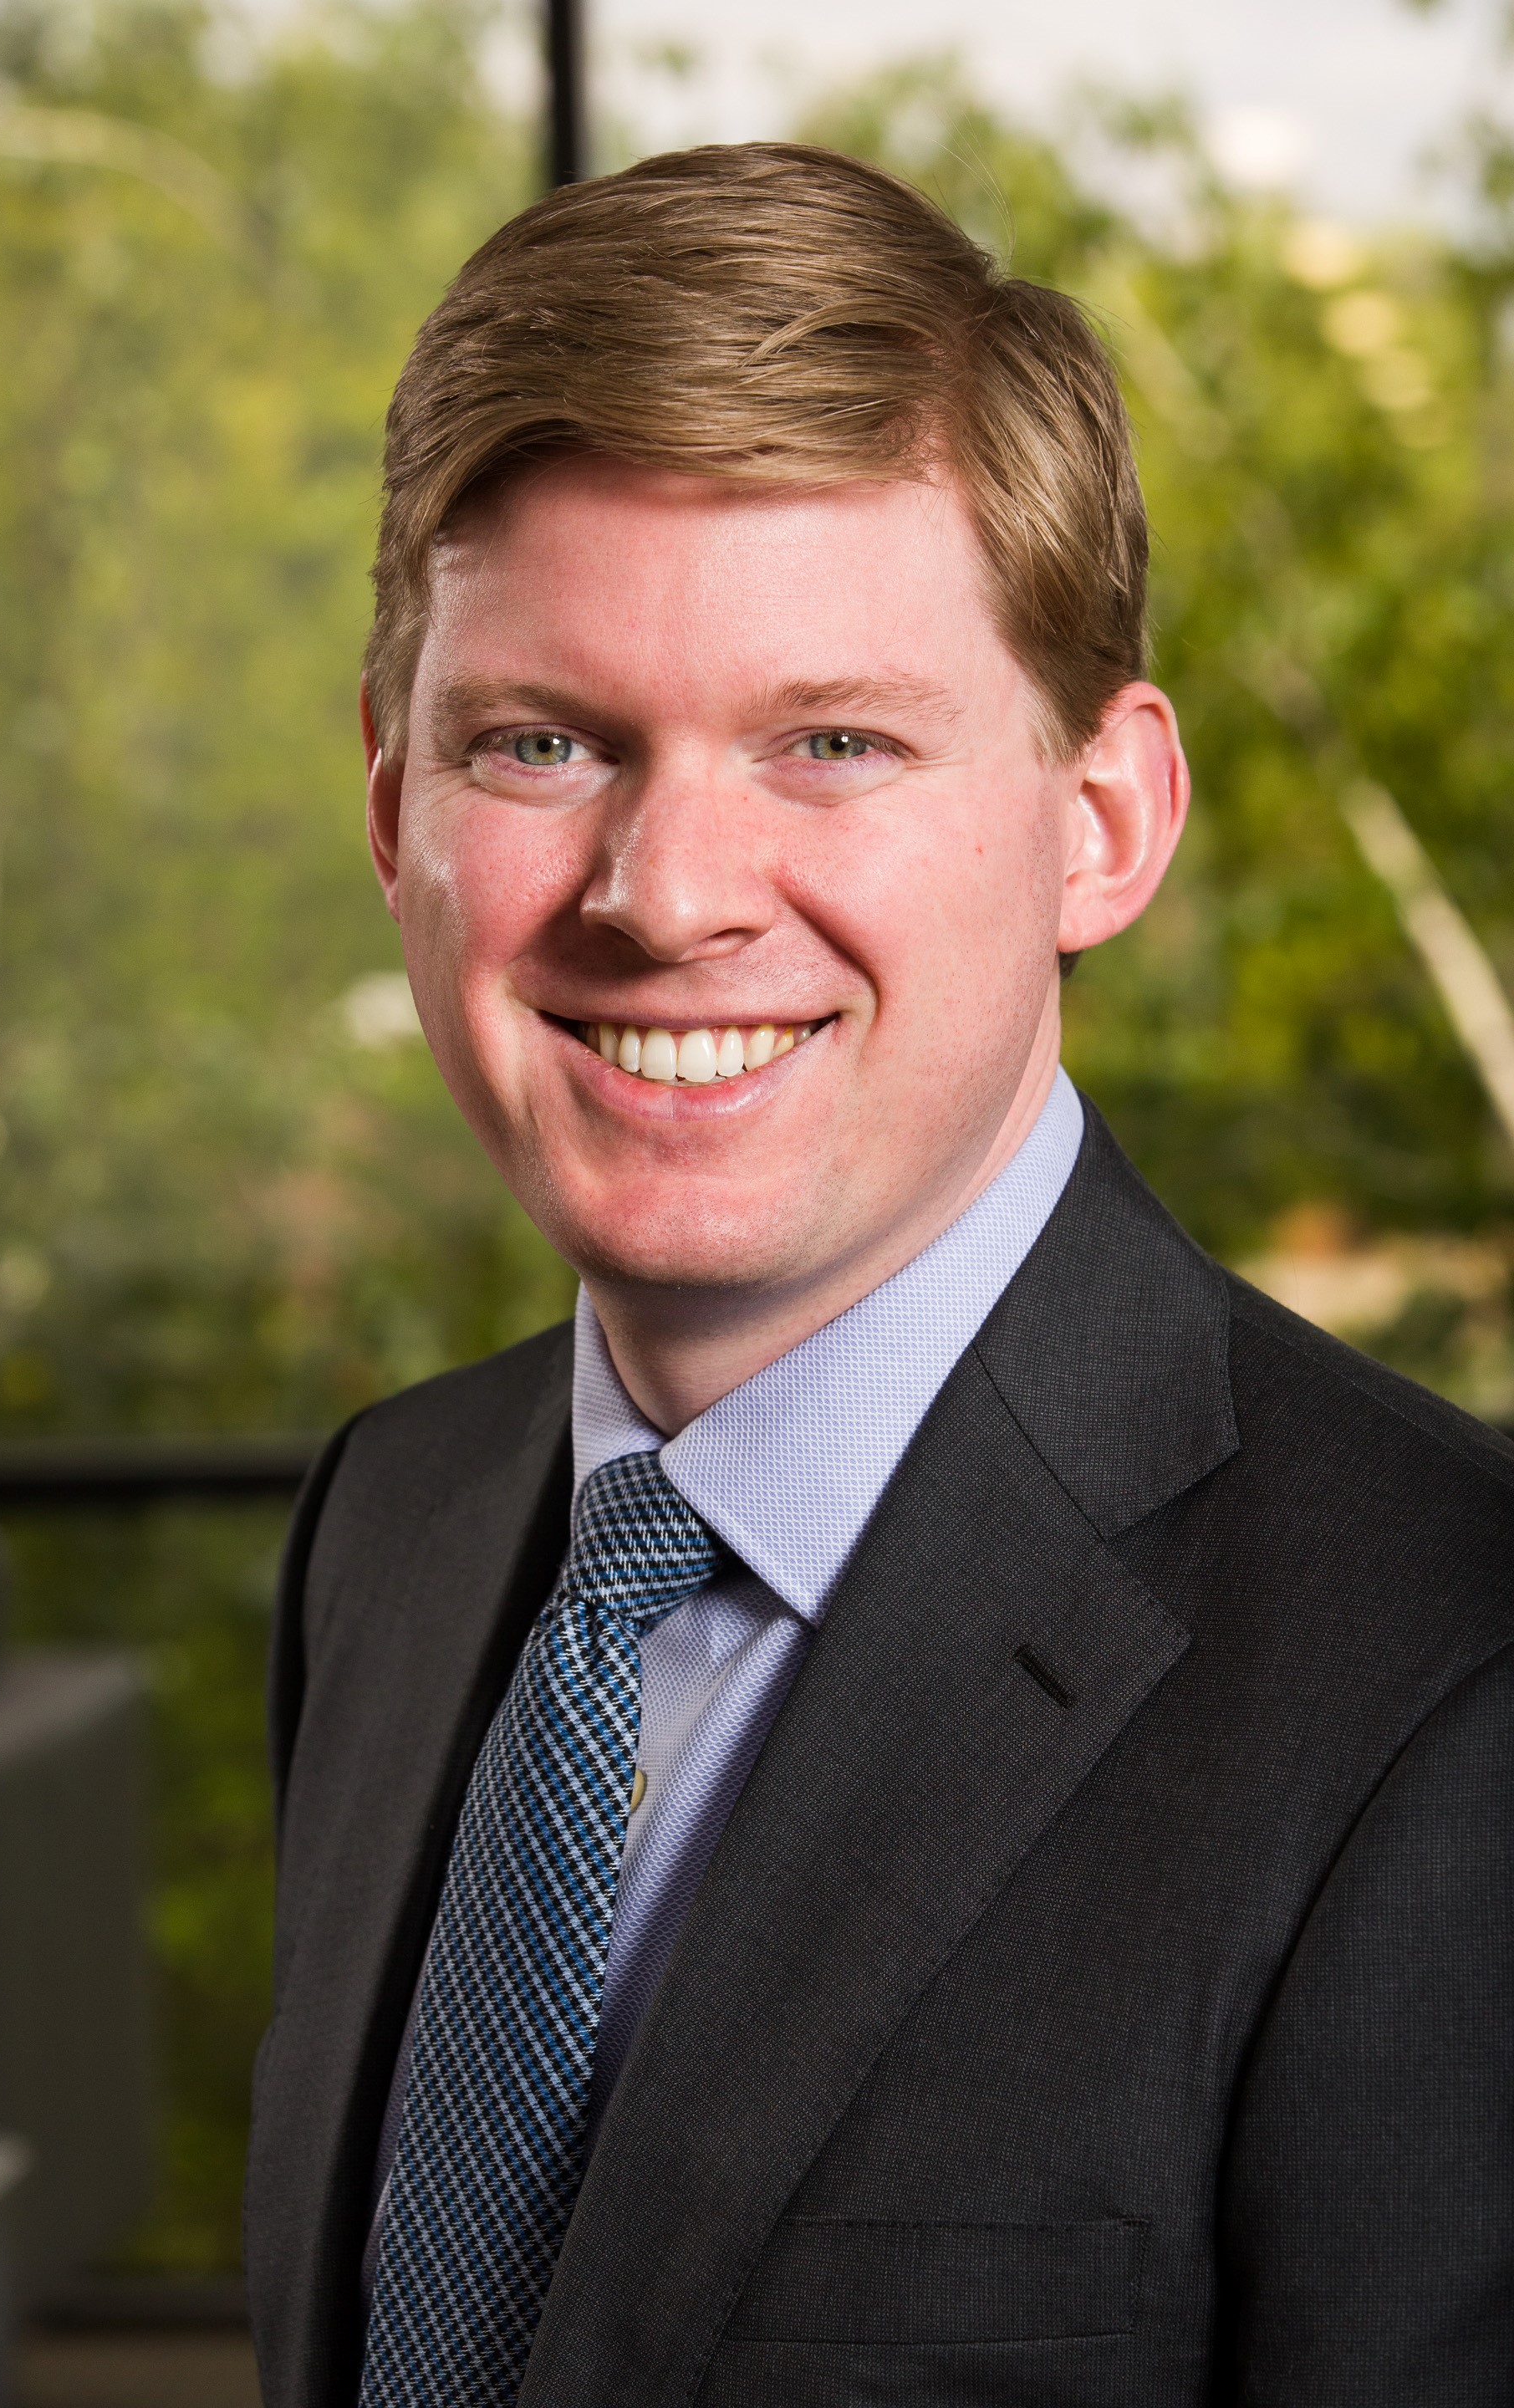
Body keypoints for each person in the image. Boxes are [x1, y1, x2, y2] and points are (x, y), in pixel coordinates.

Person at [245, 143, 1514, 2408]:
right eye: (541, 743)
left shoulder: (1451, 1673)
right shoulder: (392, 1528)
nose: (668, 893)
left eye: (831, 743)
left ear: (1101, 825)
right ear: (389, 809)